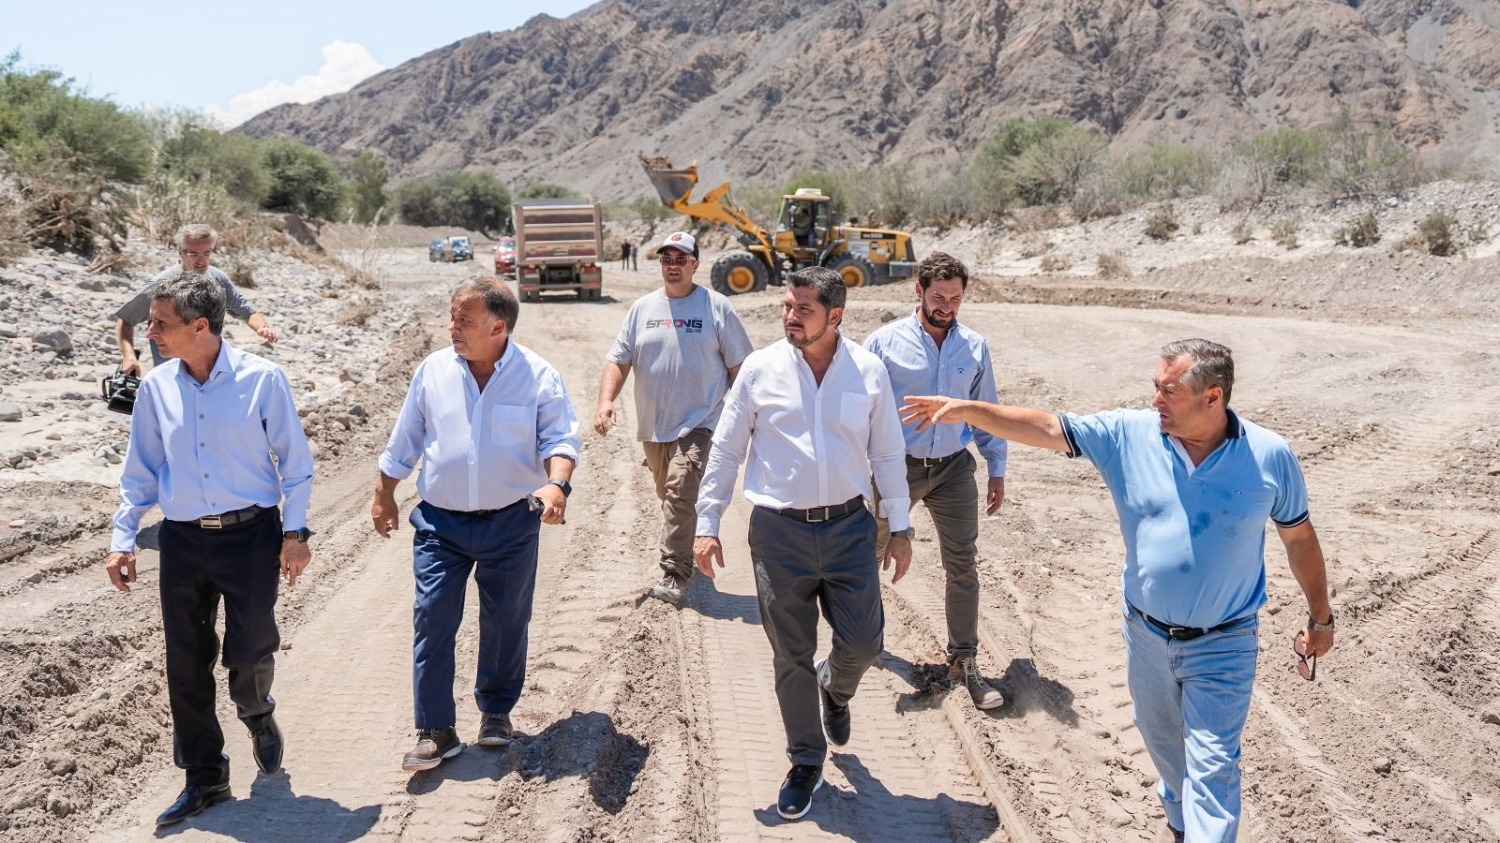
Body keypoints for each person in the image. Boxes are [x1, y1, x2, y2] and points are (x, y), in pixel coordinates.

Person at [901, 338, 1335, 843]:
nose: (1155, 401)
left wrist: (1320, 617)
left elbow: (1299, 537)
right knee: (1167, 752)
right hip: (1146, 636)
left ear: (1212, 398)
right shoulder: (1129, 434)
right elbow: (1046, 427)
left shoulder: (1269, 455)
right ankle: (1179, 821)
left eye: (1168, 391)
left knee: (1214, 766)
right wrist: (967, 410)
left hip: (1225, 641)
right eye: (1156, 388)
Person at [694, 266, 913, 821]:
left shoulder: (868, 371)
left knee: (863, 642)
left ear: (835, 316)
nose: (790, 317)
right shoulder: (759, 371)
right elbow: (725, 450)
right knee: (790, 654)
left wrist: (902, 526)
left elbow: (887, 453)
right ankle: (805, 760)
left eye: (803, 310)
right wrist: (707, 521)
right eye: (786, 308)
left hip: (848, 528)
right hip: (778, 535)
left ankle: (835, 690)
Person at [105, 272, 314, 828]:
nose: (150, 332)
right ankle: (205, 777)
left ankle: (257, 711)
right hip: (181, 540)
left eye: (160, 323)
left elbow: (295, 464)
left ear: (201, 326)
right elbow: (140, 471)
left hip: (251, 536)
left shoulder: (262, 379)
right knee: (186, 664)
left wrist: (294, 536)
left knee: (249, 651)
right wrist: (122, 538)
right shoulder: (156, 387)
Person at [372, 276, 580, 773]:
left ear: (498, 327)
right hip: (440, 523)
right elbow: (406, 441)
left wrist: (556, 486)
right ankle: (436, 730)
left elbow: (560, 440)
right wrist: (384, 494)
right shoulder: (433, 371)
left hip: (510, 520)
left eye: (464, 320)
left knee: (507, 620)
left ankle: (495, 712)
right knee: (433, 617)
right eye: (452, 316)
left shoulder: (538, 376)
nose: (452, 328)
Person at [863, 251, 1008, 710]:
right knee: (868, 553)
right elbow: (858, 408)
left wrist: (996, 467)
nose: (947, 306)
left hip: (952, 469)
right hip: (895, 468)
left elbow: (987, 410)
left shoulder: (974, 347)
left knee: (963, 564)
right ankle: (862, 644)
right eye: (939, 296)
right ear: (919, 291)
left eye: (956, 298)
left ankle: (964, 661)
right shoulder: (884, 343)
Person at [594, 231, 754, 606]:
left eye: (681, 259)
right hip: (654, 426)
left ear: (696, 264)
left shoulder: (716, 307)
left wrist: (748, 417)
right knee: (671, 495)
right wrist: (605, 402)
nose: (673, 265)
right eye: (667, 258)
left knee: (680, 492)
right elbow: (619, 360)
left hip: (702, 421)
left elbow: (740, 368)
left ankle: (674, 572)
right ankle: (691, 539)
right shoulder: (642, 309)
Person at [114, 223, 279, 376]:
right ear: (180, 251)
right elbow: (126, 320)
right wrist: (129, 356)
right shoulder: (161, 285)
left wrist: (263, 328)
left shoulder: (218, 279)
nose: (201, 261)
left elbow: (248, 312)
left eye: (207, 253)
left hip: (211, 373)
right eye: (193, 254)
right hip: (171, 374)